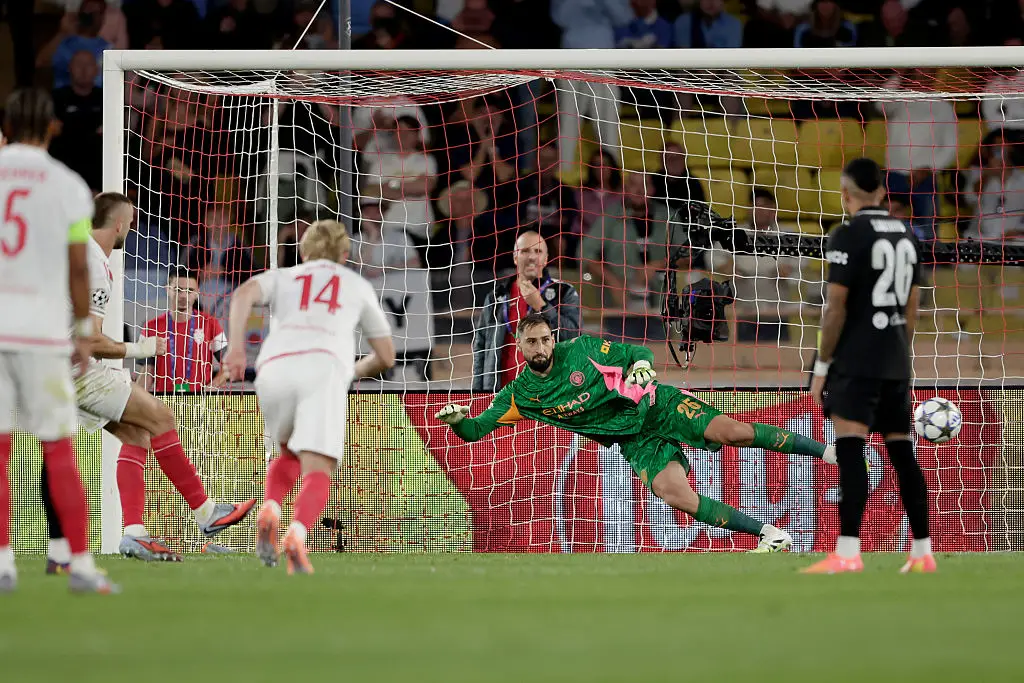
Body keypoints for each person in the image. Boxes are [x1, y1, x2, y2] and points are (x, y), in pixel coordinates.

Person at [438, 314, 838, 552]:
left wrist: (644, 368)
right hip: (633, 439)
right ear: (520, 345)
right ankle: (770, 535)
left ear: (553, 339)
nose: (541, 346)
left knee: (734, 432)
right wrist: (458, 421)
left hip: (655, 405)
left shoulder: (580, 350)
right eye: (532, 342)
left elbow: (636, 353)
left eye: (546, 338)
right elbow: (476, 431)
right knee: (675, 496)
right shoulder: (519, 395)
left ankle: (829, 452)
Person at [41, 193, 256, 567]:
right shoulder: (94, 264)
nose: (135, 228)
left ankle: (134, 534)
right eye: (133, 222)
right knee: (162, 419)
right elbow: (90, 340)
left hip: (55, 368)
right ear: (121, 224)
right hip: (76, 369)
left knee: (138, 434)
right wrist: (140, 350)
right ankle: (207, 514)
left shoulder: (79, 253)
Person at [220, 220, 396, 574]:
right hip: (322, 367)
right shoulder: (356, 285)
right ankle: (297, 533)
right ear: (345, 254)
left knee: (287, 451)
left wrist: (237, 350)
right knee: (319, 465)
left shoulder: (284, 276)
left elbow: (242, 295)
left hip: (273, 367)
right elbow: (387, 356)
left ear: (303, 251)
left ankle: (271, 506)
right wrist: (352, 372)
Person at [0, 88, 116, 594]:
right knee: (58, 449)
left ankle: (3, 563)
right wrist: (86, 331)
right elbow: (76, 266)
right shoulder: (68, 185)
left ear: (5, 128)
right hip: (43, 333)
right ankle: (80, 565)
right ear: (53, 127)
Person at [805, 158, 934, 574]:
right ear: (882, 189)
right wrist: (900, 354)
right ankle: (922, 553)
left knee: (850, 451)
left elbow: (836, 308)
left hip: (857, 361)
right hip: (896, 359)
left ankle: (847, 553)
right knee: (902, 454)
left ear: (846, 193)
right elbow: (913, 309)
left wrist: (822, 366)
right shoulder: (908, 235)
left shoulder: (848, 233)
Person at [472, 231, 582, 392]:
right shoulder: (497, 295)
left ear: (545, 259)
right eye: (525, 251)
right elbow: (480, 345)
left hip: (546, 393)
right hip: (501, 393)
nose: (531, 257)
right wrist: (477, 392)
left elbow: (574, 336)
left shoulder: (564, 292)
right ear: (515, 257)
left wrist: (541, 306)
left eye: (537, 251)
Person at [138, 267, 249, 393]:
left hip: (200, 402)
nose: (183, 296)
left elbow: (228, 366)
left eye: (189, 291)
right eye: (178, 290)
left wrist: (211, 387)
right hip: (164, 401)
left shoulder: (210, 324)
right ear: (167, 290)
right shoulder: (151, 327)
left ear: (197, 293)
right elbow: (147, 372)